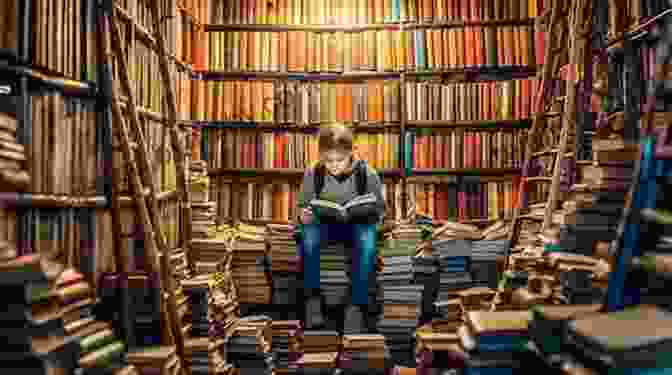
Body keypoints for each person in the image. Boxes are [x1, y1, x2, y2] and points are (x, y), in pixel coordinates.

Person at [297, 123, 385, 331]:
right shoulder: (313, 173)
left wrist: (370, 214)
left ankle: (356, 305)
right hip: (325, 226)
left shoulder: (368, 174)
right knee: (307, 238)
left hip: (357, 226)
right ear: (320, 155)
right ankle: (313, 300)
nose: (334, 165)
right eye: (328, 160)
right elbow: (302, 207)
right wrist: (304, 215)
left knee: (368, 244)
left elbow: (380, 210)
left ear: (351, 153)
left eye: (340, 160)